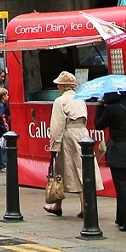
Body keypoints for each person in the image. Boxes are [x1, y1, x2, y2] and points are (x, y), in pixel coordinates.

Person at [95, 90, 126, 233]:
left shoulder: (111, 109)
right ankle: (120, 218)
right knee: (124, 185)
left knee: (122, 188)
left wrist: (99, 106)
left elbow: (98, 124)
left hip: (118, 151)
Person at [43, 71, 85, 217]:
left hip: (67, 136)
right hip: (82, 135)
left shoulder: (60, 101)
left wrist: (54, 145)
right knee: (82, 168)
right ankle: (62, 205)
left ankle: (59, 204)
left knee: (62, 171)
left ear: (62, 86)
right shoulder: (81, 99)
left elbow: (57, 125)